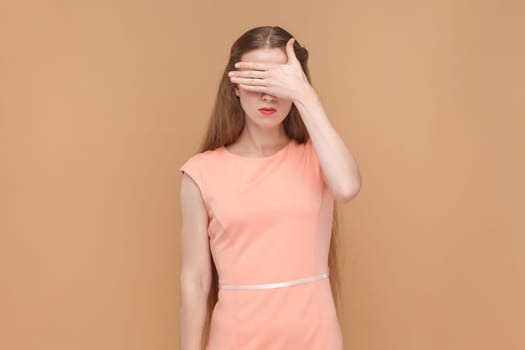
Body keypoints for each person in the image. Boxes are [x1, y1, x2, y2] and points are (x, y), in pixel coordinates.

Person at [178, 25, 361, 350]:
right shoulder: (201, 172)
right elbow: (196, 281)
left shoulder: (318, 158)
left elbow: (347, 187)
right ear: (234, 86)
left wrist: (304, 94)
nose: (268, 94)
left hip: (313, 337)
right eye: (256, 79)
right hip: (236, 338)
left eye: (278, 81)